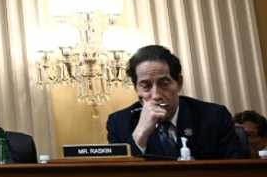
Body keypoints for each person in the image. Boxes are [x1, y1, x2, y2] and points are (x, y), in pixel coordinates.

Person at [105, 44, 245, 159]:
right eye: (146, 85)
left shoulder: (215, 116)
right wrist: (140, 134)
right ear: (136, 88)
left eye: (164, 83)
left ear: (179, 83)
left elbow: (236, 172)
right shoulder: (118, 123)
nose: (156, 95)